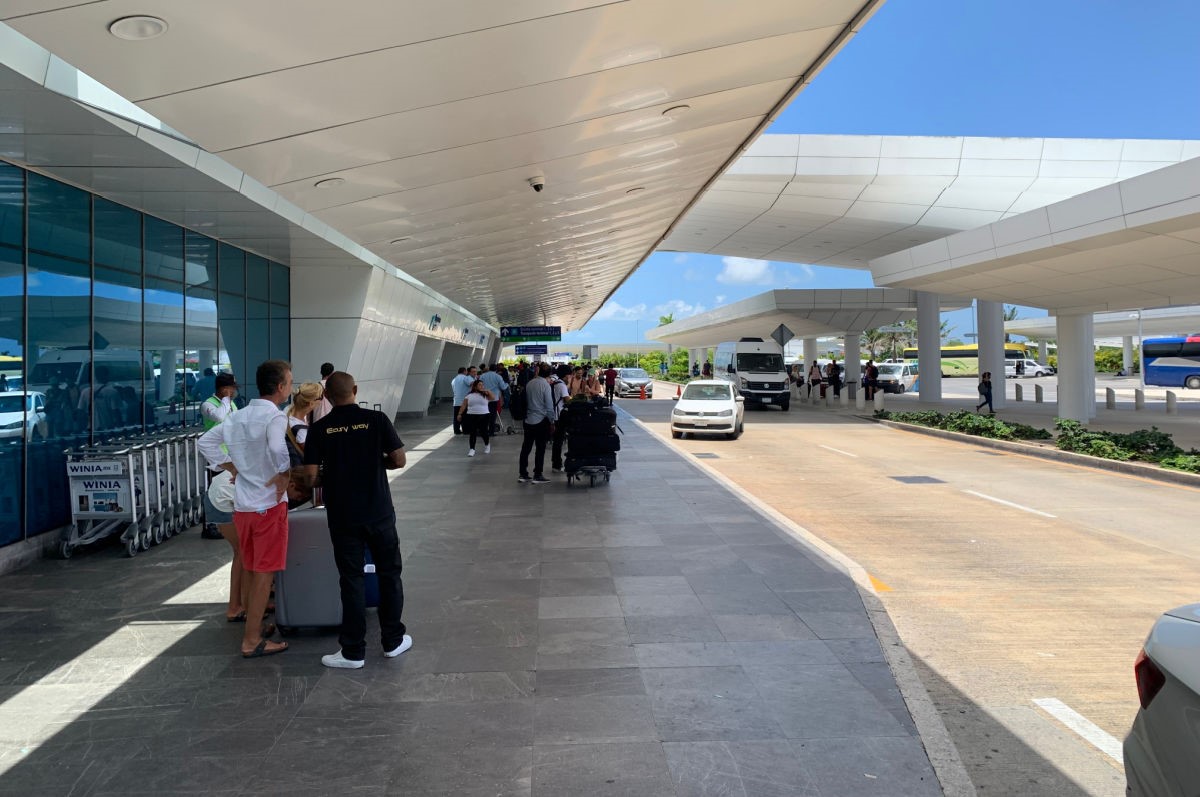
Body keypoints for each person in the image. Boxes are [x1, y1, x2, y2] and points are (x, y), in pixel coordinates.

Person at [303, 371, 409, 669]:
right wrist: (376, 463)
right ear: (355, 389)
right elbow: (399, 459)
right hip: (379, 512)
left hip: (343, 516)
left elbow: (311, 477)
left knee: (351, 579)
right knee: (389, 573)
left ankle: (352, 652)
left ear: (325, 396)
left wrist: (335, 475)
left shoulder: (320, 428)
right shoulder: (377, 421)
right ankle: (393, 641)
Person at [197, 360, 293, 659]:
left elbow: (205, 442)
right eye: (289, 382)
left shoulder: (238, 416)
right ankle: (251, 640)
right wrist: (284, 472)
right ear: (280, 388)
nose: (290, 386)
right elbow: (278, 449)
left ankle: (253, 626)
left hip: (243, 507)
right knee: (264, 573)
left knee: (252, 567)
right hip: (268, 505)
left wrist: (230, 466)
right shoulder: (274, 417)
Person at [204, 470, 248, 623]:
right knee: (244, 553)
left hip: (219, 497)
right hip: (222, 501)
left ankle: (242, 603)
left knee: (243, 553)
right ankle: (236, 606)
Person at [200, 373, 239, 539]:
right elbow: (219, 416)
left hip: (230, 454)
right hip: (215, 455)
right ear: (225, 389)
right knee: (213, 489)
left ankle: (224, 521)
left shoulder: (231, 403)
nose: (234, 392)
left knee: (226, 487)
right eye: (232, 389)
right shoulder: (208, 404)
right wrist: (225, 400)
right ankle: (210, 525)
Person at [518, 363, 555, 484]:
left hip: (528, 419)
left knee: (526, 447)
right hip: (541, 420)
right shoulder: (546, 385)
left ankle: (523, 474)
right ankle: (537, 474)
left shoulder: (530, 383)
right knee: (540, 448)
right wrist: (552, 421)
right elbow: (549, 407)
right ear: (549, 374)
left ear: (538, 372)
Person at [458, 378, 494, 456]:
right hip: (471, 415)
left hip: (484, 415)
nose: (481, 386)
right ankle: (472, 449)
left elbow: (493, 398)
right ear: (475, 386)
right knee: (472, 432)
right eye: (479, 385)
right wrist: (459, 414)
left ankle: (487, 445)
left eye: (482, 385)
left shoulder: (485, 394)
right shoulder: (469, 395)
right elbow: (464, 405)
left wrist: (489, 392)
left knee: (484, 432)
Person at [549, 367, 570, 472]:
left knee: (557, 441)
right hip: (559, 416)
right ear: (566, 375)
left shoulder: (555, 383)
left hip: (554, 415)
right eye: (569, 376)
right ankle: (557, 465)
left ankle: (555, 463)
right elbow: (567, 400)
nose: (570, 378)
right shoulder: (562, 385)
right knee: (559, 441)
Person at [480, 364, 507, 434]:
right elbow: (503, 387)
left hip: (484, 398)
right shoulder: (498, 377)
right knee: (493, 415)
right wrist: (507, 384)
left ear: (489, 368)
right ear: (496, 369)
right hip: (494, 399)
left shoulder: (482, 376)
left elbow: (479, 386)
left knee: (483, 414)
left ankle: (483, 430)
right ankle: (491, 432)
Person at [450, 367, 473, 435]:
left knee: (456, 417)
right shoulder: (465, 378)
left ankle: (456, 430)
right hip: (464, 401)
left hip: (456, 401)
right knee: (465, 417)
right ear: (465, 371)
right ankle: (466, 430)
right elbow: (472, 383)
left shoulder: (454, 379)